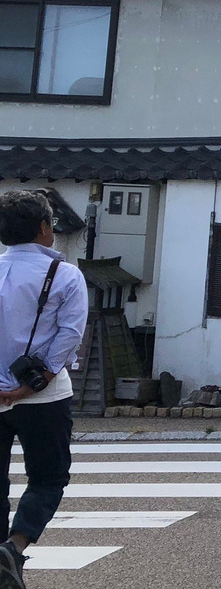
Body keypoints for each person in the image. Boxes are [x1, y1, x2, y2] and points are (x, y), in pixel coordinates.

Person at [0, 190, 87, 589]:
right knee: (49, 478)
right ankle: (13, 549)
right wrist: (36, 382)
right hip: (44, 397)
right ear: (42, 227)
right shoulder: (66, 275)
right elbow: (69, 334)